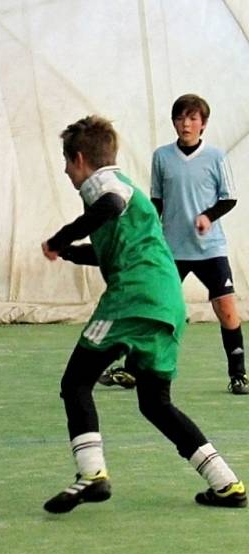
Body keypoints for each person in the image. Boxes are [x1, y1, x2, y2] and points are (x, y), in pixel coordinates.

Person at [41, 115, 245, 513]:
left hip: (134, 297)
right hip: (167, 301)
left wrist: (61, 236)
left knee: (76, 382)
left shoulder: (104, 183)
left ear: (80, 158)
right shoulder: (128, 197)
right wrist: (67, 252)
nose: (65, 171)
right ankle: (227, 483)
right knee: (155, 402)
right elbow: (110, 248)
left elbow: (109, 204)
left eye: (66, 162)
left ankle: (92, 474)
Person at [100, 94, 247, 395]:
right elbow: (156, 201)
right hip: (170, 249)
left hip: (210, 249)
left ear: (203, 124)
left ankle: (239, 375)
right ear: (174, 122)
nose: (186, 124)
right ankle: (131, 371)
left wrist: (207, 216)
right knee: (152, 304)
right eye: (181, 118)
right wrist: (145, 232)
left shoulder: (216, 157)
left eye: (193, 118)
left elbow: (229, 197)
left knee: (227, 309)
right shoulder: (162, 157)